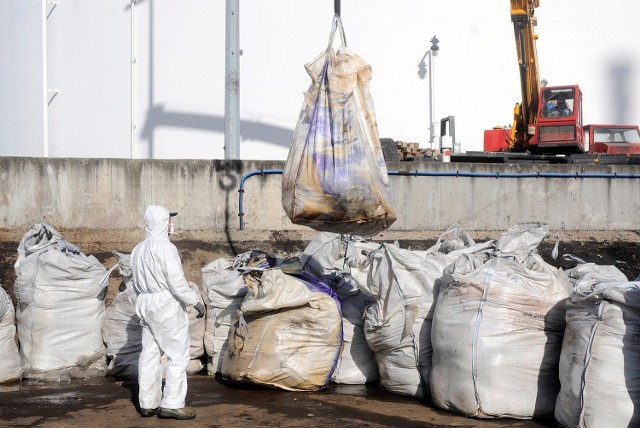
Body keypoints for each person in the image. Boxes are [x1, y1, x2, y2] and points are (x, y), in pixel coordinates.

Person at [131, 205, 205, 420]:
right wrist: (194, 301)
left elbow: (135, 282)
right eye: (169, 220)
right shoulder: (165, 248)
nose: (172, 224)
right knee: (177, 354)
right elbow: (177, 283)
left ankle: (147, 403)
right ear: (163, 223)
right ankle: (172, 404)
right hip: (166, 303)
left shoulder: (138, 249)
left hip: (144, 302)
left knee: (149, 354)